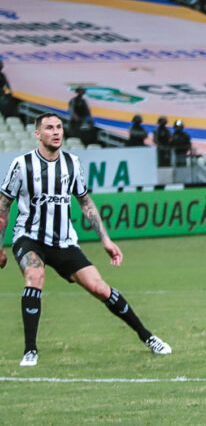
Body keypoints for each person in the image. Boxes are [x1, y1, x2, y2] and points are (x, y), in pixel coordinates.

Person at [0, 113, 171, 366]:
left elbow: (85, 202)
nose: (56, 132)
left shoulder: (72, 163)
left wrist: (106, 240)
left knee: (100, 288)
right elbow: (3, 205)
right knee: (35, 276)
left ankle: (147, 336)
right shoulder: (22, 165)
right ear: (38, 134)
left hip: (64, 241)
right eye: (49, 128)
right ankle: (30, 350)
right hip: (29, 236)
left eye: (59, 127)